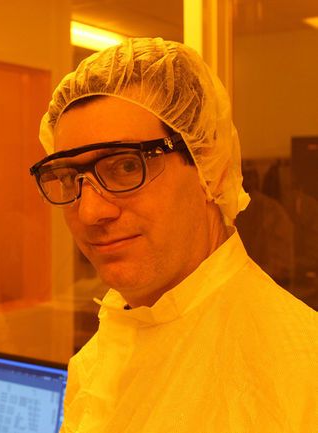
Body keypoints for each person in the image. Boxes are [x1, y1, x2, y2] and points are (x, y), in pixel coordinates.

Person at [29, 38, 317, 432]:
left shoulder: (299, 377)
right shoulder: (104, 352)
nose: (90, 212)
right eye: (67, 177)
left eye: (126, 167)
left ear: (208, 165)